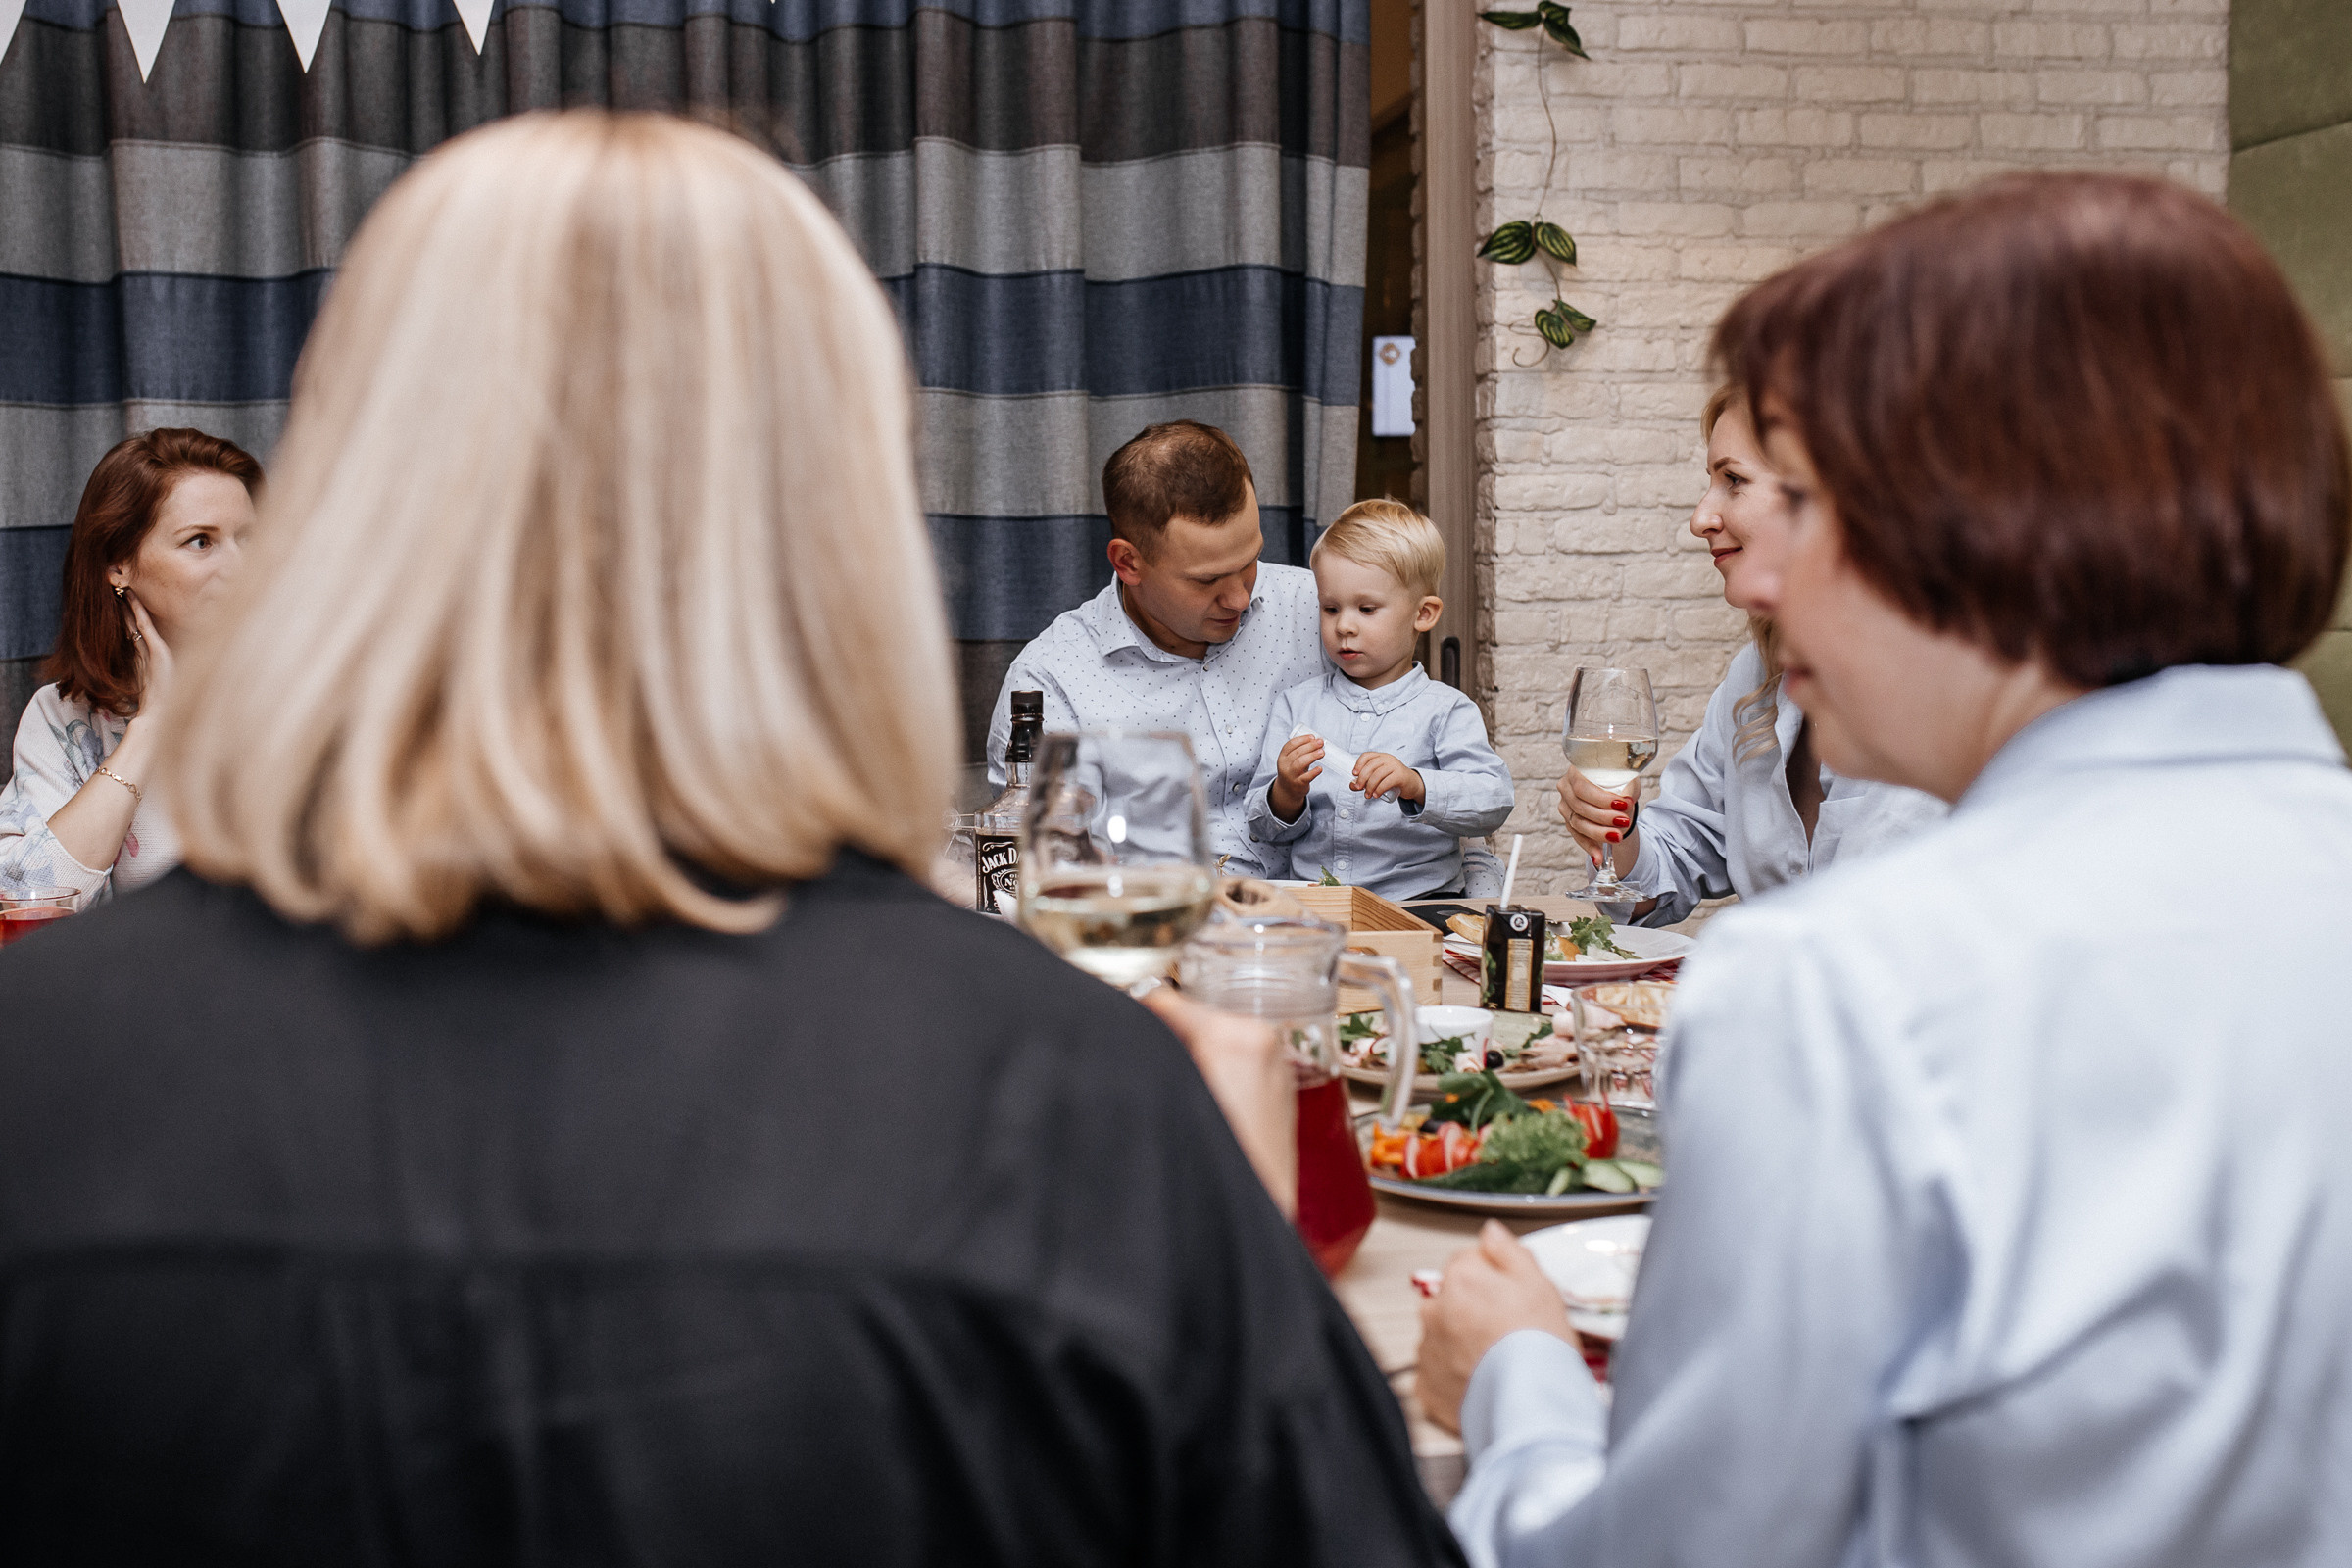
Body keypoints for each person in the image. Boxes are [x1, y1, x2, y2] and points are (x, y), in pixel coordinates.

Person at [0, 112, 1465, 1568]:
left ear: (346, 490)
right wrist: (1225, 1273)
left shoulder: (38, 1064)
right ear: (846, 522)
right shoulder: (1073, 1112)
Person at [1420, 172, 2352, 1567]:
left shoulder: (1843, 992)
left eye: (1814, 506)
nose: (1757, 574)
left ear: (1978, 523)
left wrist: (1521, 1384)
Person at [987, 425, 1501, 890]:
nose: (1238, 597)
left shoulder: (1323, 609)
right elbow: (1050, 869)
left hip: (1321, 921)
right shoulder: (1051, 682)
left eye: (1250, 561)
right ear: (1129, 562)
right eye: (1207, 580)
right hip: (1155, 930)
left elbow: (1431, 768)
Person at [1555, 388, 1943, 924]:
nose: (1700, 519)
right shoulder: (1756, 675)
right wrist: (1615, 833)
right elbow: (1669, 869)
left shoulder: (1946, 688)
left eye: (1733, 480)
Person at [0, 429, 259, 909]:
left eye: (250, 538)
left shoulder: (314, 694)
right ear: (119, 565)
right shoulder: (64, 719)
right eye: (201, 541)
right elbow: (21, 903)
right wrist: (148, 728)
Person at [1245, 500, 1513, 898]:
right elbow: (1261, 828)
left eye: (1366, 609)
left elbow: (1494, 801)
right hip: (1320, 907)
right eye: (1330, 608)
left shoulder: (1446, 710)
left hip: (1419, 905)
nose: (1344, 626)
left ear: (1423, 614)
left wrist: (1416, 784)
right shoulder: (1296, 706)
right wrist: (1286, 792)